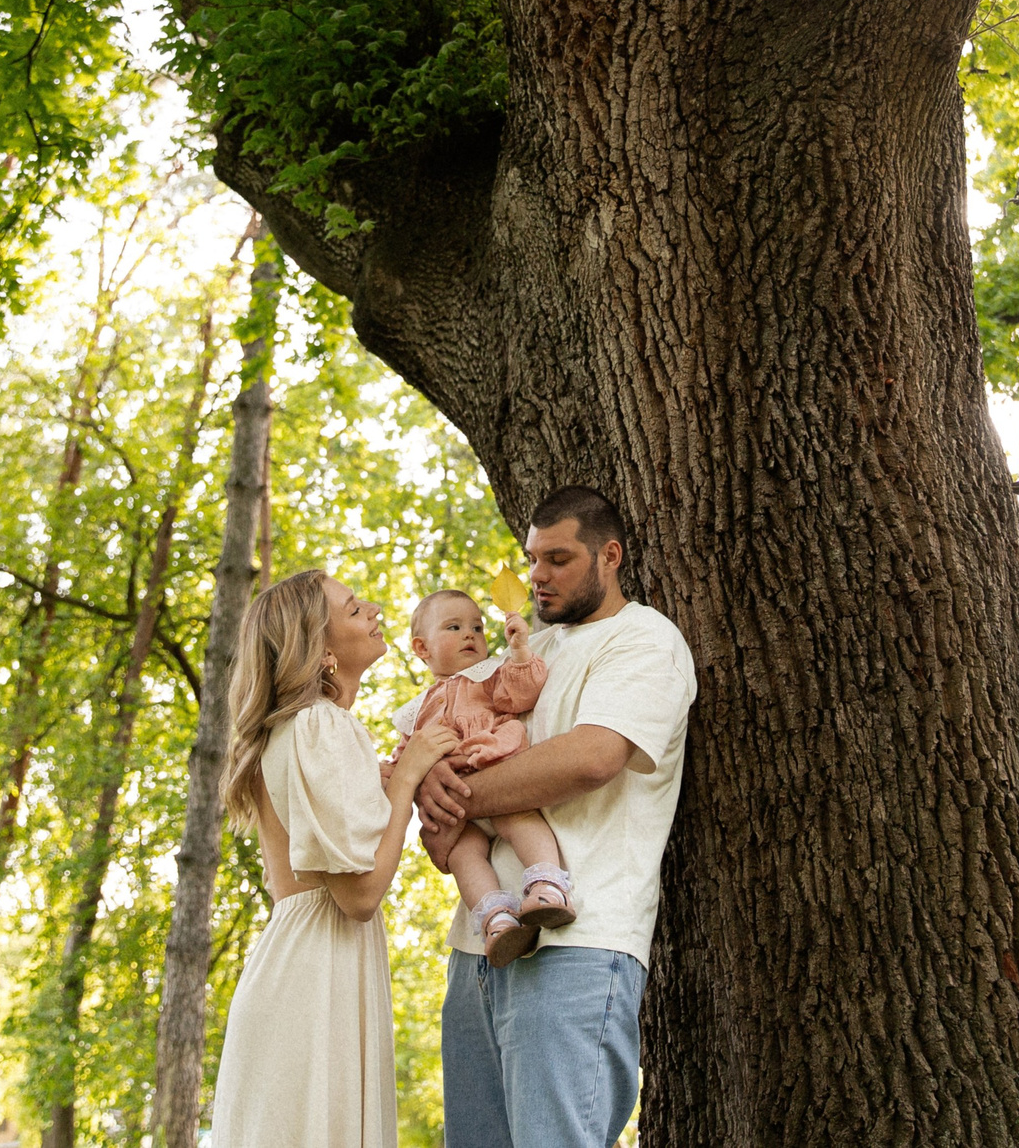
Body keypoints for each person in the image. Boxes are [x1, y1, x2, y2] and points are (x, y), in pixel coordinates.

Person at [419, 486, 697, 1148]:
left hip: (580, 942)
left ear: (610, 555)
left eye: (558, 558)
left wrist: (454, 791)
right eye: (532, 558)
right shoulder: (525, 653)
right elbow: (445, 729)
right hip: (479, 944)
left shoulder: (644, 640)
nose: (538, 574)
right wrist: (424, 771)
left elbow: (593, 756)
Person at [208, 567, 461, 1148]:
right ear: (321, 650)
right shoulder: (320, 725)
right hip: (313, 979)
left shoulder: (299, 730)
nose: (373, 608)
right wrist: (409, 776)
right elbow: (360, 894)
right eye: (352, 609)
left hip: (300, 965)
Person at [390, 588, 577, 966]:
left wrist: (520, 652)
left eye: (477, 626)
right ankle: (497, 920)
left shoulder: (488, 674)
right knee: (463, 853)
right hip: (459, 808)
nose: (470, 634)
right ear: (421, 648)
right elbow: (404, 760)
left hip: (495, 772)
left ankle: (548, 887)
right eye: (454, 627)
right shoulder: (415, 711)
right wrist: (392, 773)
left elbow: (522, 694)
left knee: (519, 817)